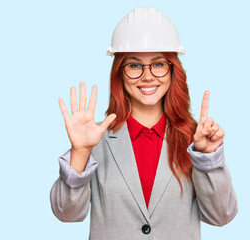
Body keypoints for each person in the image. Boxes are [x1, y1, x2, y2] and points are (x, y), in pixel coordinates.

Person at [50, 7, 238, 240]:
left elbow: (222, 216)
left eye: (158, 64)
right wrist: (79, 153)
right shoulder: (94, 139)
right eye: (135, 65)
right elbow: (66, 213)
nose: (147, 76)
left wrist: (208, 158)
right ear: (119, 72)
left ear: (172, 71)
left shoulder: (195, 141)